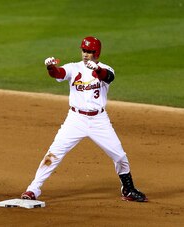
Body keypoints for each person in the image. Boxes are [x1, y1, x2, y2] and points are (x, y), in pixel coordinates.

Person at [21, 36, 147, 202]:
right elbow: (59, 73)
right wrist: (51, 67)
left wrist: (96, 70)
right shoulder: (74, 68)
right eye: (84, 51)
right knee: (54, 153)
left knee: (120, 156)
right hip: (75, 119)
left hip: (99, 120)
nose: (86, 54)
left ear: (97, 53)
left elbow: (108, 77)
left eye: (89, 51)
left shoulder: (105, 68)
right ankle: (33, 189)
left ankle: (128, 189)